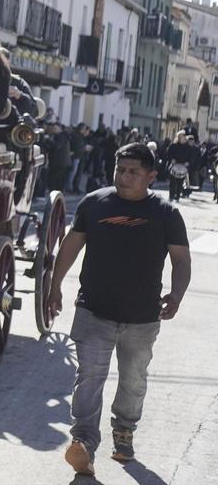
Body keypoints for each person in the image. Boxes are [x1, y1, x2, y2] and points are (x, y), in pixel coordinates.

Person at [51, 142, 190, 476]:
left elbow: (181, 259)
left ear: (151, 176)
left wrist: (177, 294)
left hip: (142, 317)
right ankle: (83, 442)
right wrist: (54, 285)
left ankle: (124, 431)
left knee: (133, 379)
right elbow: (71, 245)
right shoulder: (94, 203)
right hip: (93, 310)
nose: (124, 177)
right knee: (89, 376)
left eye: (133, 172)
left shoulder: (166, 213)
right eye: (120, 170)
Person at [162, 131, 192, 202]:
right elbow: (168, 154)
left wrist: (188, 162)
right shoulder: (173, 146)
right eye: (181, 137)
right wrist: (171, 159)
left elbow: (191, 157)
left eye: (183, 137)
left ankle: (178, 196)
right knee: (172, 182)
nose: (182, 139)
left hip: (183, 167)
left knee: (180, 183)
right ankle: (171, 196)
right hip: (174, 166)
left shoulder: (188, 147)